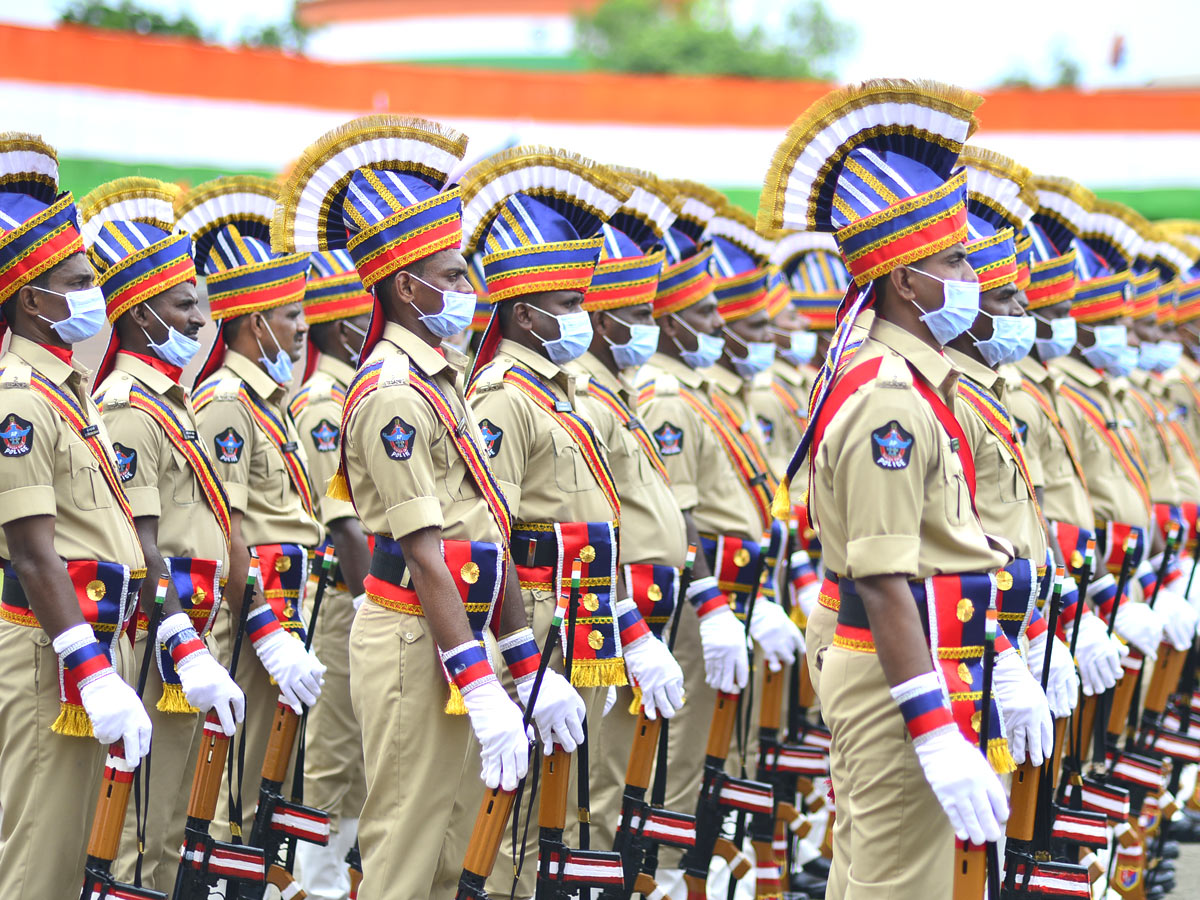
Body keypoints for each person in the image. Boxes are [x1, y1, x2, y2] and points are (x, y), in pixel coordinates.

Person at [273, 114, 551, 900]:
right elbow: (425, 549)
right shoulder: (393, 393)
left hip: (453, 627)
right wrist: (479, 676)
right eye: (455, 276)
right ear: (406, 285)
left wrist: (518, 658)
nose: (470, 293)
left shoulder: (437, 378)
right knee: (405, 844)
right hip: (412, 636)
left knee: (450, 850)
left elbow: (483, 530)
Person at [758, 79, 1014, 898]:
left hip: (926, 658)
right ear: (905, 282)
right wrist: (933, 726)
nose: (970, 276)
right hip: (899, 670)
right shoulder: (889, 399)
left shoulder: (904, 378)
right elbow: (883, 574)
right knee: (897, 882)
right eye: (954, 262)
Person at [461, 146, 677, 899]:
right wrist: (523, 658)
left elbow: (597, 521)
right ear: (524, 312)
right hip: (535, 617)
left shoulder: (560, 391)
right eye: (568, 305)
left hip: (583, 612)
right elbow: (489, 536)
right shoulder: (502, 395)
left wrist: (631, 625)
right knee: (516, 832)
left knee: (563, 817)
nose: (582, 320)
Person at [83, 176, 245, 890]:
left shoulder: (167, 403)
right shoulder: (126, 407)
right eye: (184, 307)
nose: (200, 321)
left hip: (188, 630)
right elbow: (142, 542)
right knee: (141, 833)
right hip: (156, 638)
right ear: (144, 314)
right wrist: (183, 643)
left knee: (172, 825)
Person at [0, 133, 150, 897]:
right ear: (32, 299)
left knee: (80, 860)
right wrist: (90, 671)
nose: (96, 294)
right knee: (42, 860)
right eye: (79, 281)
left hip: (88, 644)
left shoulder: (68, 390)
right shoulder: (21, 397)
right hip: (48, 653)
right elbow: (32, 552)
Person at [178, 175, 327, 844]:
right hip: (251, 620)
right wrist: (265, 632)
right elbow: (229, 529)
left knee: (267, 798)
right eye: (291, 315)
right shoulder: (227, 404)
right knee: (234, 803)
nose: (303, 328)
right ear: (253, 322)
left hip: (288, 612)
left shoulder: (265, 401)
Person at [566, 167, 688, 851]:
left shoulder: (620, 395)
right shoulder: (589, 398)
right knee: (602, 784)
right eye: (639, 317)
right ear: (603, 321)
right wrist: (628, 625)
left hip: (639, 610)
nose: (650, 330)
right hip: (613, 613)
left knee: (626, 781)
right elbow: (595, 529)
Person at [287, 248, 373, 898]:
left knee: (366, 757)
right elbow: (345, 523)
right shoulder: (325, 401)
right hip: (350, 598)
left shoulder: (354, 391)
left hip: (367, 594)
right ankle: (312, 883)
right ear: (345, 325)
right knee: (336, 749)